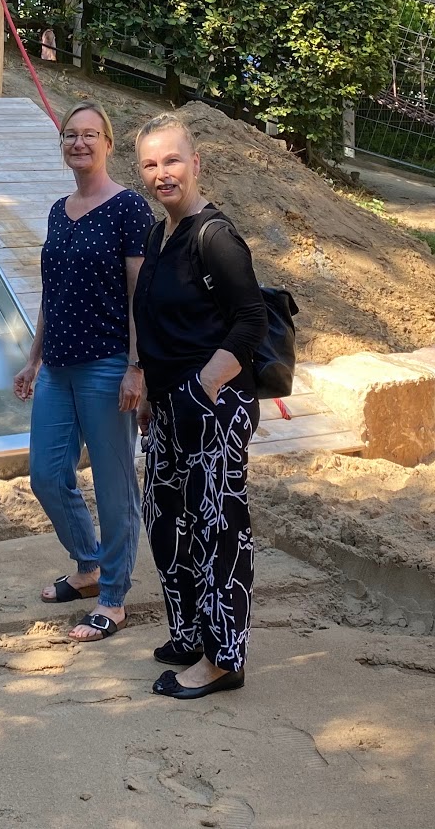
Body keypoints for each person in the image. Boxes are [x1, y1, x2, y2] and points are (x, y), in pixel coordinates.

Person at [131, 113, 267, 700]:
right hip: (168, 408)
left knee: (217, 532)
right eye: (151, 164)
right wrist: (152, 391)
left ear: (196, 164)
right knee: (165, 526)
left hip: (213, 406)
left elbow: (251, 322)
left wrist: (202, 388)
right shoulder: (161, 233)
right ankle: (189, 632)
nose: (162, 174)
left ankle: (222, 658)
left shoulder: (216, 236)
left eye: (172, 161)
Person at [13, 102, 151, 642]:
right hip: (57, 367)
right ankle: (89, 565)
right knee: (47, 475)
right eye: (70, 135)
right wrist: (33, 356)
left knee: (115, 487)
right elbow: (54, 292)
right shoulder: (57, 210)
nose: (78, 143)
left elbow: (141, 296)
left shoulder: (130, 210)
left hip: (109, 366)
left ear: (108, 144)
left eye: (89, 135)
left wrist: (137, 368)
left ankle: (113, 597)